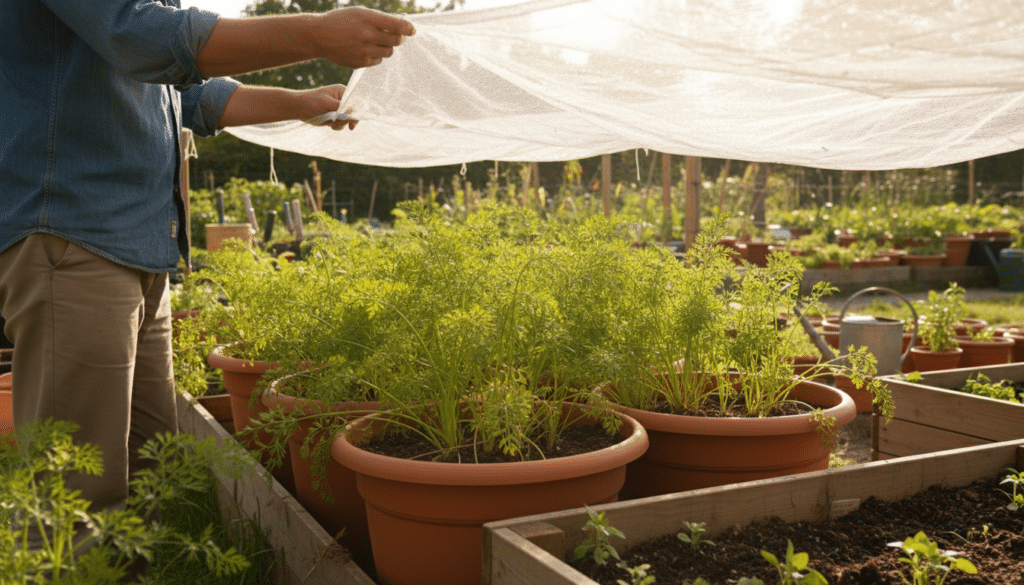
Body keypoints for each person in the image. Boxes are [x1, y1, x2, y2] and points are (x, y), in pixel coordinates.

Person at [0, 0, 415, 526]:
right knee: (72, 498)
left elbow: (186, 97)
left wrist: (301, 101)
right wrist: (314, 34)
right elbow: (140, 39)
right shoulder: (133, 20)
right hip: (74, 233)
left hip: (139, 243)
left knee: (153, 470)